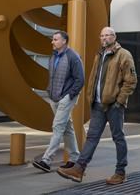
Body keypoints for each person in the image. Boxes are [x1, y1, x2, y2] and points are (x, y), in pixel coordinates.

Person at [57, 26, 137, 185]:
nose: (105, 38)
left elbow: (131, 81)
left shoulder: (123, 55)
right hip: (98, 105)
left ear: (114, 37)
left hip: (113, 105)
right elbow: (94, 78)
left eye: (108, 35)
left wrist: (119, 101)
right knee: (92, 138)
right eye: (102, 36)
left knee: (118, 137)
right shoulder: (99, 55)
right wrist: (90, 97)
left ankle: (120, 173)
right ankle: (79, 169)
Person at [32, 30, 84, 173]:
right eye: (53, 39)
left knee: (58, 126)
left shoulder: (73, 57)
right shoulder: (53, 57)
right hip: (54, 97)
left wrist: (70, 95)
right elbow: (52, 77)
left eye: (55, 39)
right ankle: (75, 159)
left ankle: (46, 160)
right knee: (67, 128)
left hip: (66, 97)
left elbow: (80, 79)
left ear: (64, 41)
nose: (52, 42)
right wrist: (49, 92)